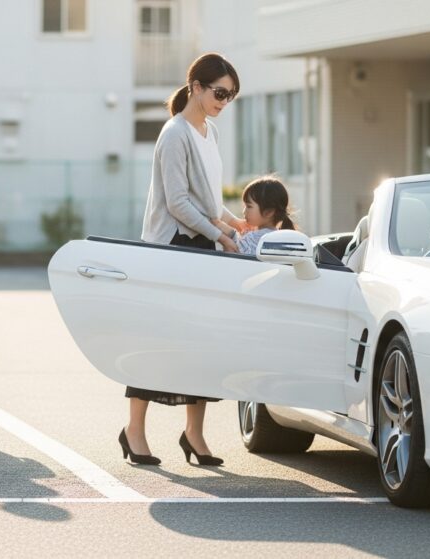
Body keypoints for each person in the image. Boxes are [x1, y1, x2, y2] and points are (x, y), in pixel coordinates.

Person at [127, 52, 245, 466]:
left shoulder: (208, 132)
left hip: (202, 247)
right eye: (219, 93)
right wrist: (222, 234)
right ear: (195, 86)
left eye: (230, 96)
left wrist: (237, 225)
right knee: (157, 342)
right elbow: (178, 203)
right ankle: (134, 431)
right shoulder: (175, 134)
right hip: (173, 247)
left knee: (202, 345)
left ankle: (194, 434)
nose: (223, 102)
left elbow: (209, 200)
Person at [213, 175, 297, 255]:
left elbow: (233, 252)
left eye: (249, 206)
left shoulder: (253, 238)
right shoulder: (282, 239)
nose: (244, 211)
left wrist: (219, 226)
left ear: (269, 212)